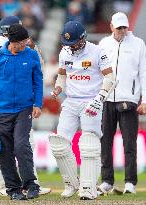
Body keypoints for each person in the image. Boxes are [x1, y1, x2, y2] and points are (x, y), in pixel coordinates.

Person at [0, 15, 51, 196]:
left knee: (21, 145)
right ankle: (13, 189)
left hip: (24, 108)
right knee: (5, 150)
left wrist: (37, 103)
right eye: (21, 42)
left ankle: (31, 185)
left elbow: (38, 81)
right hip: (1, 111)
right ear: (11, 41)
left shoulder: (32, 55)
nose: (24, 45)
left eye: (26, 41)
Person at [49, 20, 117, 200]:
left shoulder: (97, 51)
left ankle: (89, 187)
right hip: (71, 101)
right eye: (67, 44)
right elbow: (62, 76)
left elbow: (110, 77)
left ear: (83, 39)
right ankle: (72, 184)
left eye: (74, 44)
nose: (71, 48)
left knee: (89, 144)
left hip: (91, 101)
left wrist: (99, 98)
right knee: (59, 143)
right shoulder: (65, 51)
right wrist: (57, 89)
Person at [98, 12, 146, 194]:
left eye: (124, 27)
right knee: (105, 142)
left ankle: (130, 182)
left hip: (129, 99)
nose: (122, 30)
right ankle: (106, 180)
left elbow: (144, 73)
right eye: (118, 27)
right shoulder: (104, 44)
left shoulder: (138, 44)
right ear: (111, 27)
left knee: (129, 143)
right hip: (106, 99)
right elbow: (99, 71)